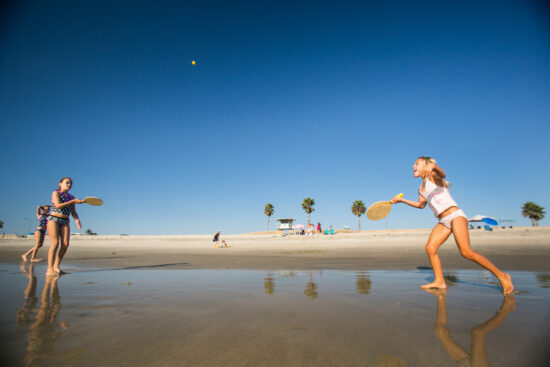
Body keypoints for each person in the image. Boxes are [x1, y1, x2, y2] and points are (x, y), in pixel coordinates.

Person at [391, 157, 513, 294]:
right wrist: (401, 200)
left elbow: (443, 174)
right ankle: (439, 281)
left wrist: (434, 168)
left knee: (466, 252)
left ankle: (502, 275)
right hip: (443, 221)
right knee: (430, 248)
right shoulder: (421, 188)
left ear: (426, 165)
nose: (413, 166)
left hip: (456, 216)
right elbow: (421, 205)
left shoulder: (433, 176)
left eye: (416, 164)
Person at [46, 177, 83, 276]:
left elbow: (73, 212)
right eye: (67, 182)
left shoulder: (72, 197)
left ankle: (56, 267)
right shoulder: (56, 193)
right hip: (53, 219)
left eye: (70, 183)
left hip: (65, 220)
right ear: (60, 184)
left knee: (65, 244)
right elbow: (57, 206)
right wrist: (72, 201)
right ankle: (49, 269)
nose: (69, 184)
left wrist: (77, 220)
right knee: (55, 243)